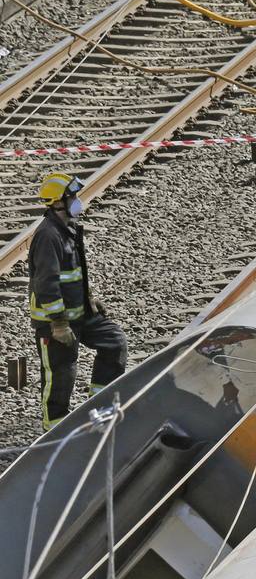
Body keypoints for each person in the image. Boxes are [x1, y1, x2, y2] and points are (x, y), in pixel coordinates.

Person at [28, 173, 127, 430]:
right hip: (55, 321)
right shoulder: (48, 235)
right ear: (58, 202)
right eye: (72, 196)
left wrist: (90, 298)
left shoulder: (68, 228)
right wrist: (58, 324)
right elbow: (46, 284)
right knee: (61, 373)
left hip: (80, 313)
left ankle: (100, 407)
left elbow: (74, 272)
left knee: (114, 342)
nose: (77, 200)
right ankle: (54, 429)